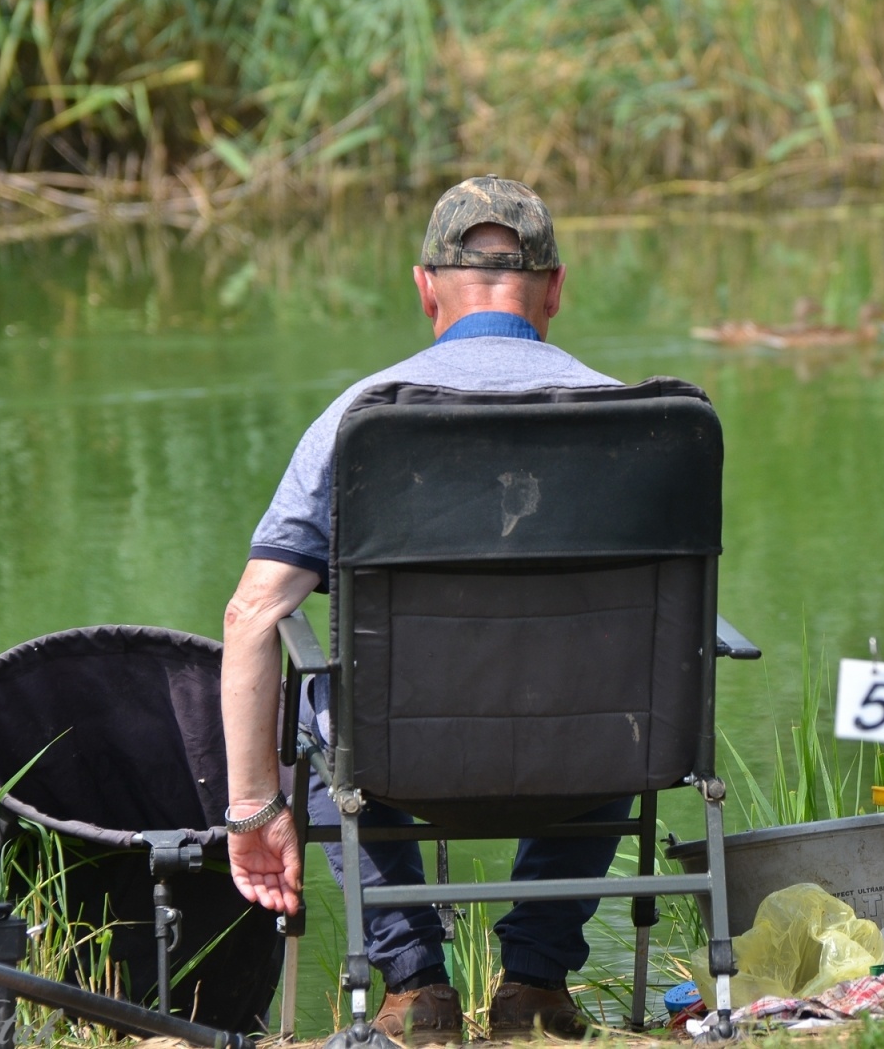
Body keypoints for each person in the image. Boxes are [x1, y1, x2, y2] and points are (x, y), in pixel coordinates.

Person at [220, 176, 630, 1045]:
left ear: (424, 289)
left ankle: (414, 986)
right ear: (556, 288)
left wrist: (253, 810)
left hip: (401, 750)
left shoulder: (358, 422)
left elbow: (251, 615)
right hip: (589, 745)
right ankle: (535, 983)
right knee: (616, 680)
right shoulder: (637, 421)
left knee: (319, 710)